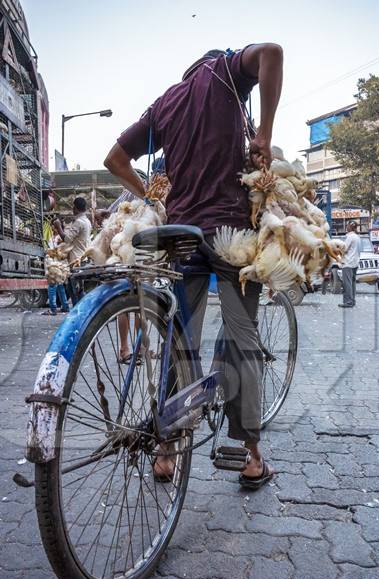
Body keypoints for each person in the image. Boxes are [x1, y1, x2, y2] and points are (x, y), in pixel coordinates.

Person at [104, 43, 283, 489]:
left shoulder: (166, 103)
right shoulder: (225, 72)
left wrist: (150, 193)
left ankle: (166, 451)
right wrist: (262, 134)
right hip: (230, 238)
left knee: (179, 341)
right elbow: (272, 53)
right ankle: (251, 457)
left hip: (183, 237)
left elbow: (114, 160)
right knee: (242, 337)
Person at [53, 196, 92, 264]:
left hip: (77, 258)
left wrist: (58, 227)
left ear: (75, 208)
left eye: (73, 207)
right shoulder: (87, 221)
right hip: (83, 256)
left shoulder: (79, 222)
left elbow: (66, 239)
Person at [339, 221, 361, 308]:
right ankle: (352, 301)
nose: (346, 227)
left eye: (347, 226)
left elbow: (344, 249)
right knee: (352, 283)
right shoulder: (357, 237)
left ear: (350, 227)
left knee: (347, 283)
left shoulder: (350, 237)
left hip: (348, 263)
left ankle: (348, 302)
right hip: (355, 263)